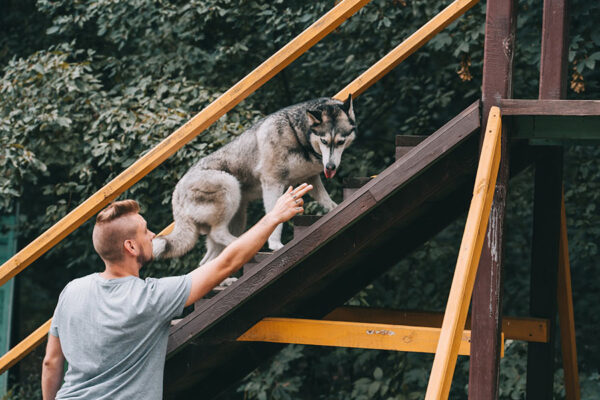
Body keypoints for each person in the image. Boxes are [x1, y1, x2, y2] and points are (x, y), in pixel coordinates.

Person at [41, 183, 313, 400]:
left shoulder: (71, 291)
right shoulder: (151, 298)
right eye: (145, 232)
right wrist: (274, 217)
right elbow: (227, 263)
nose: (154, 235)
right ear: (130, 247)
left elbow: (51, 363)